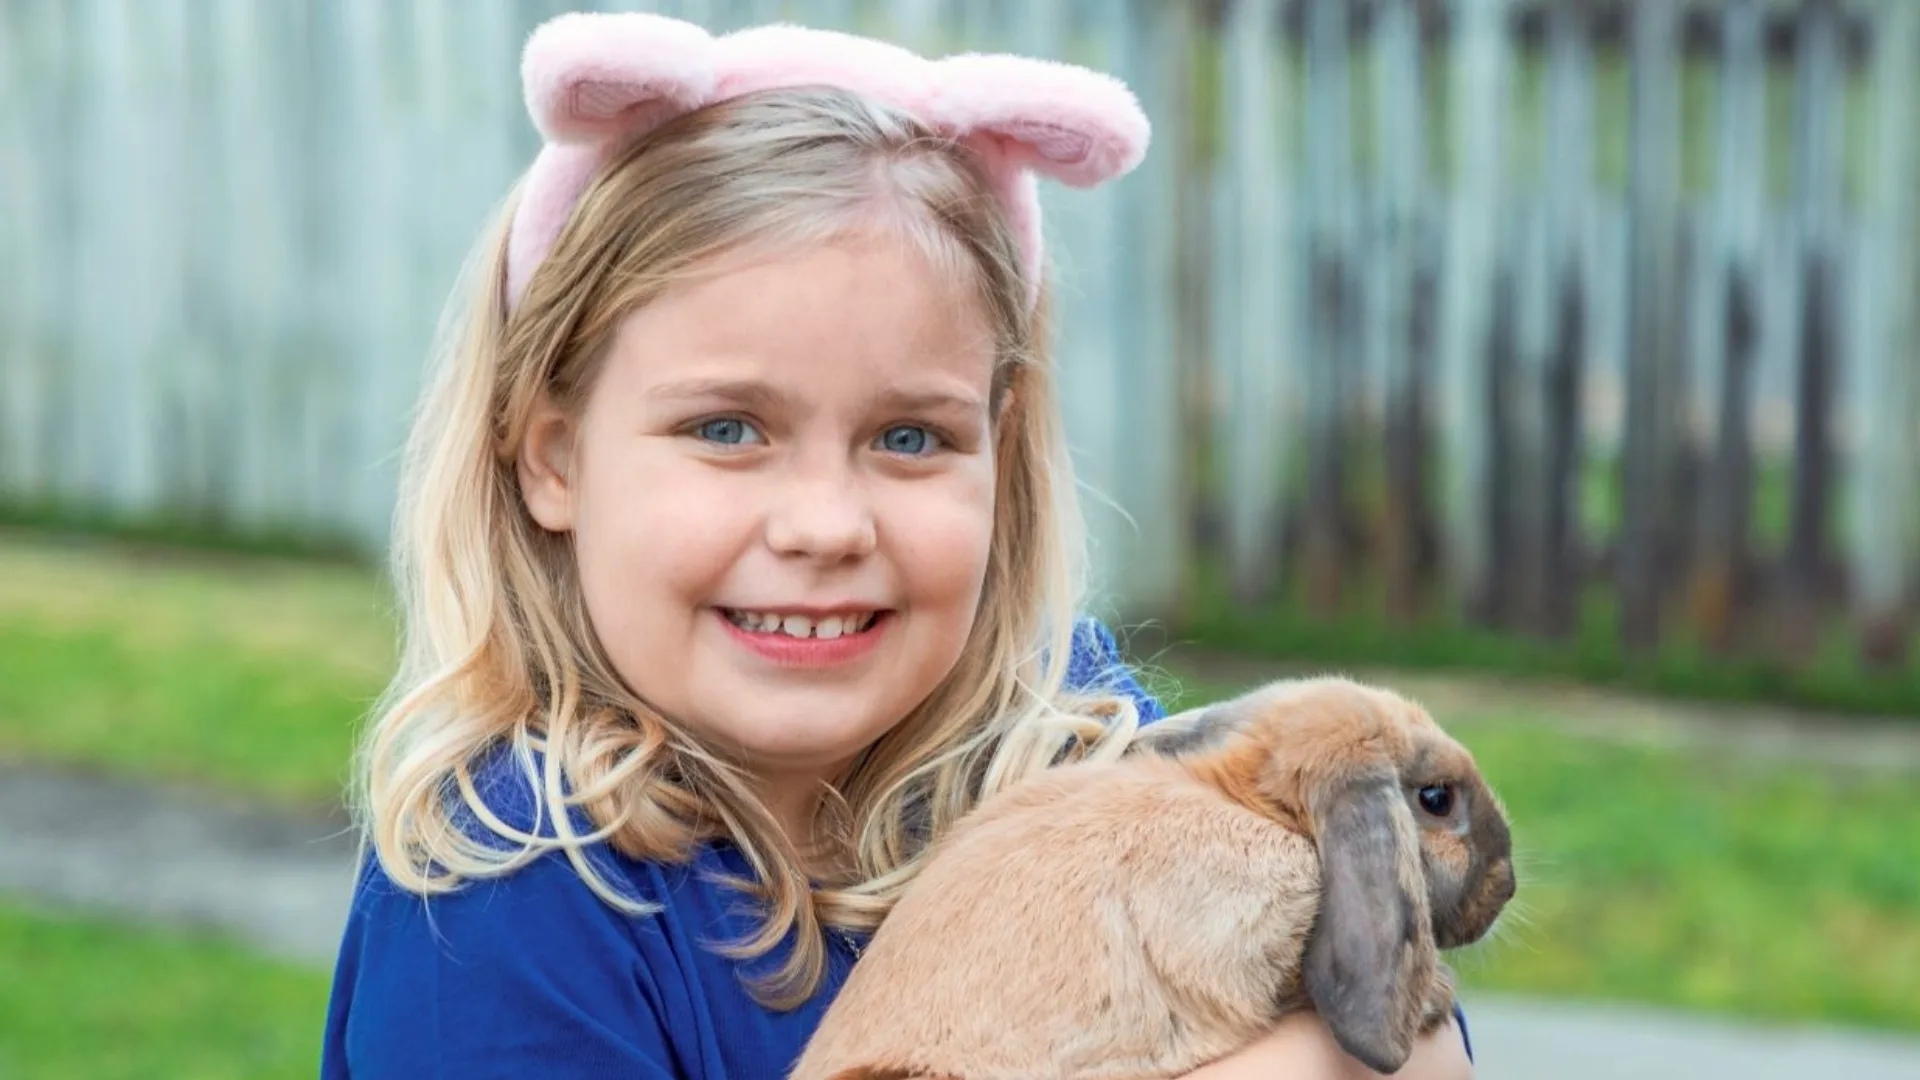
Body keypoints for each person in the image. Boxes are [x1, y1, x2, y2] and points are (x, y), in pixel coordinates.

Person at [320, 12, 1475, 1079]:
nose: (826, 526)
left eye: (909, 437)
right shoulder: (507, 893)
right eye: (727, 429)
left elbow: (1417, 1041)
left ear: (1000, 449)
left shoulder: (1077, 740)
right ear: (552, 456)